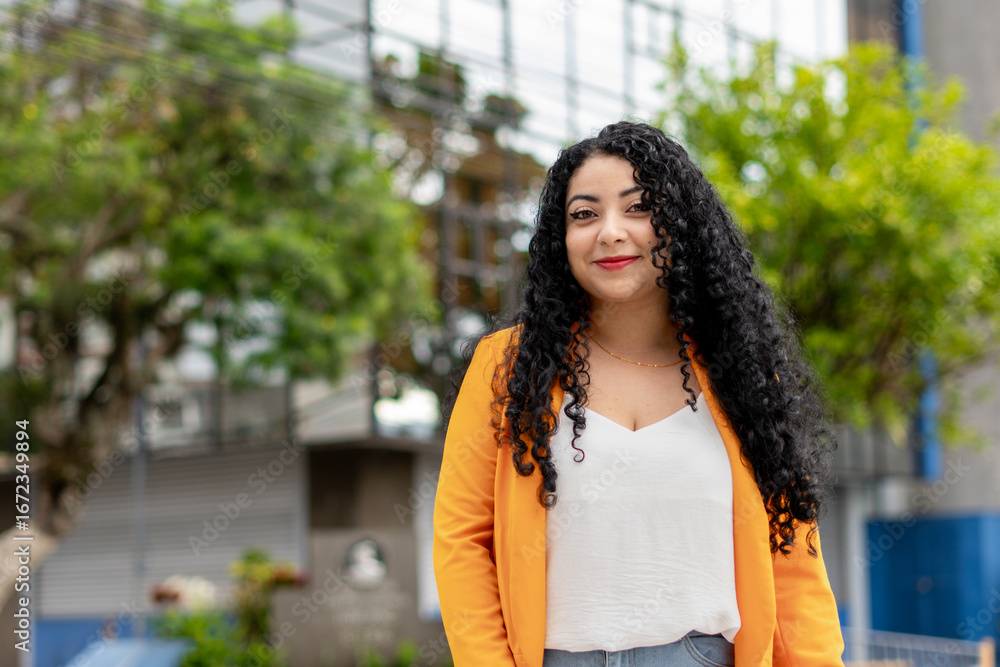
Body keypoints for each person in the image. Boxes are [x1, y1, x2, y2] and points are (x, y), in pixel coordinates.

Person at [433, 121, 845, 667]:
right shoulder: (506, 367)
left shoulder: (741, 373)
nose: (609, 232)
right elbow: (463, 542)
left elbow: (793, 562)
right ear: (561, 238)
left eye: (639, 207)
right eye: (584, 214)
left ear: (681, 224)